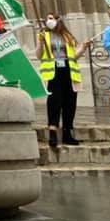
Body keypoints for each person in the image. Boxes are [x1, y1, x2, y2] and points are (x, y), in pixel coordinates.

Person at [36, 12, 90, 147]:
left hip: (69, 71)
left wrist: (83, 47)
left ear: (58, 20)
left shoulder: (67, 36)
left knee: (70, 101)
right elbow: (39, 55)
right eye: (47, 18)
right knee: (55, 100)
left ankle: (67, 132)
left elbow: (74, 56)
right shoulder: (43, 35)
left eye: (51, 18)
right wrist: (41, 43)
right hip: (54, 71)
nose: (48, 21)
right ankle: (53, 131)